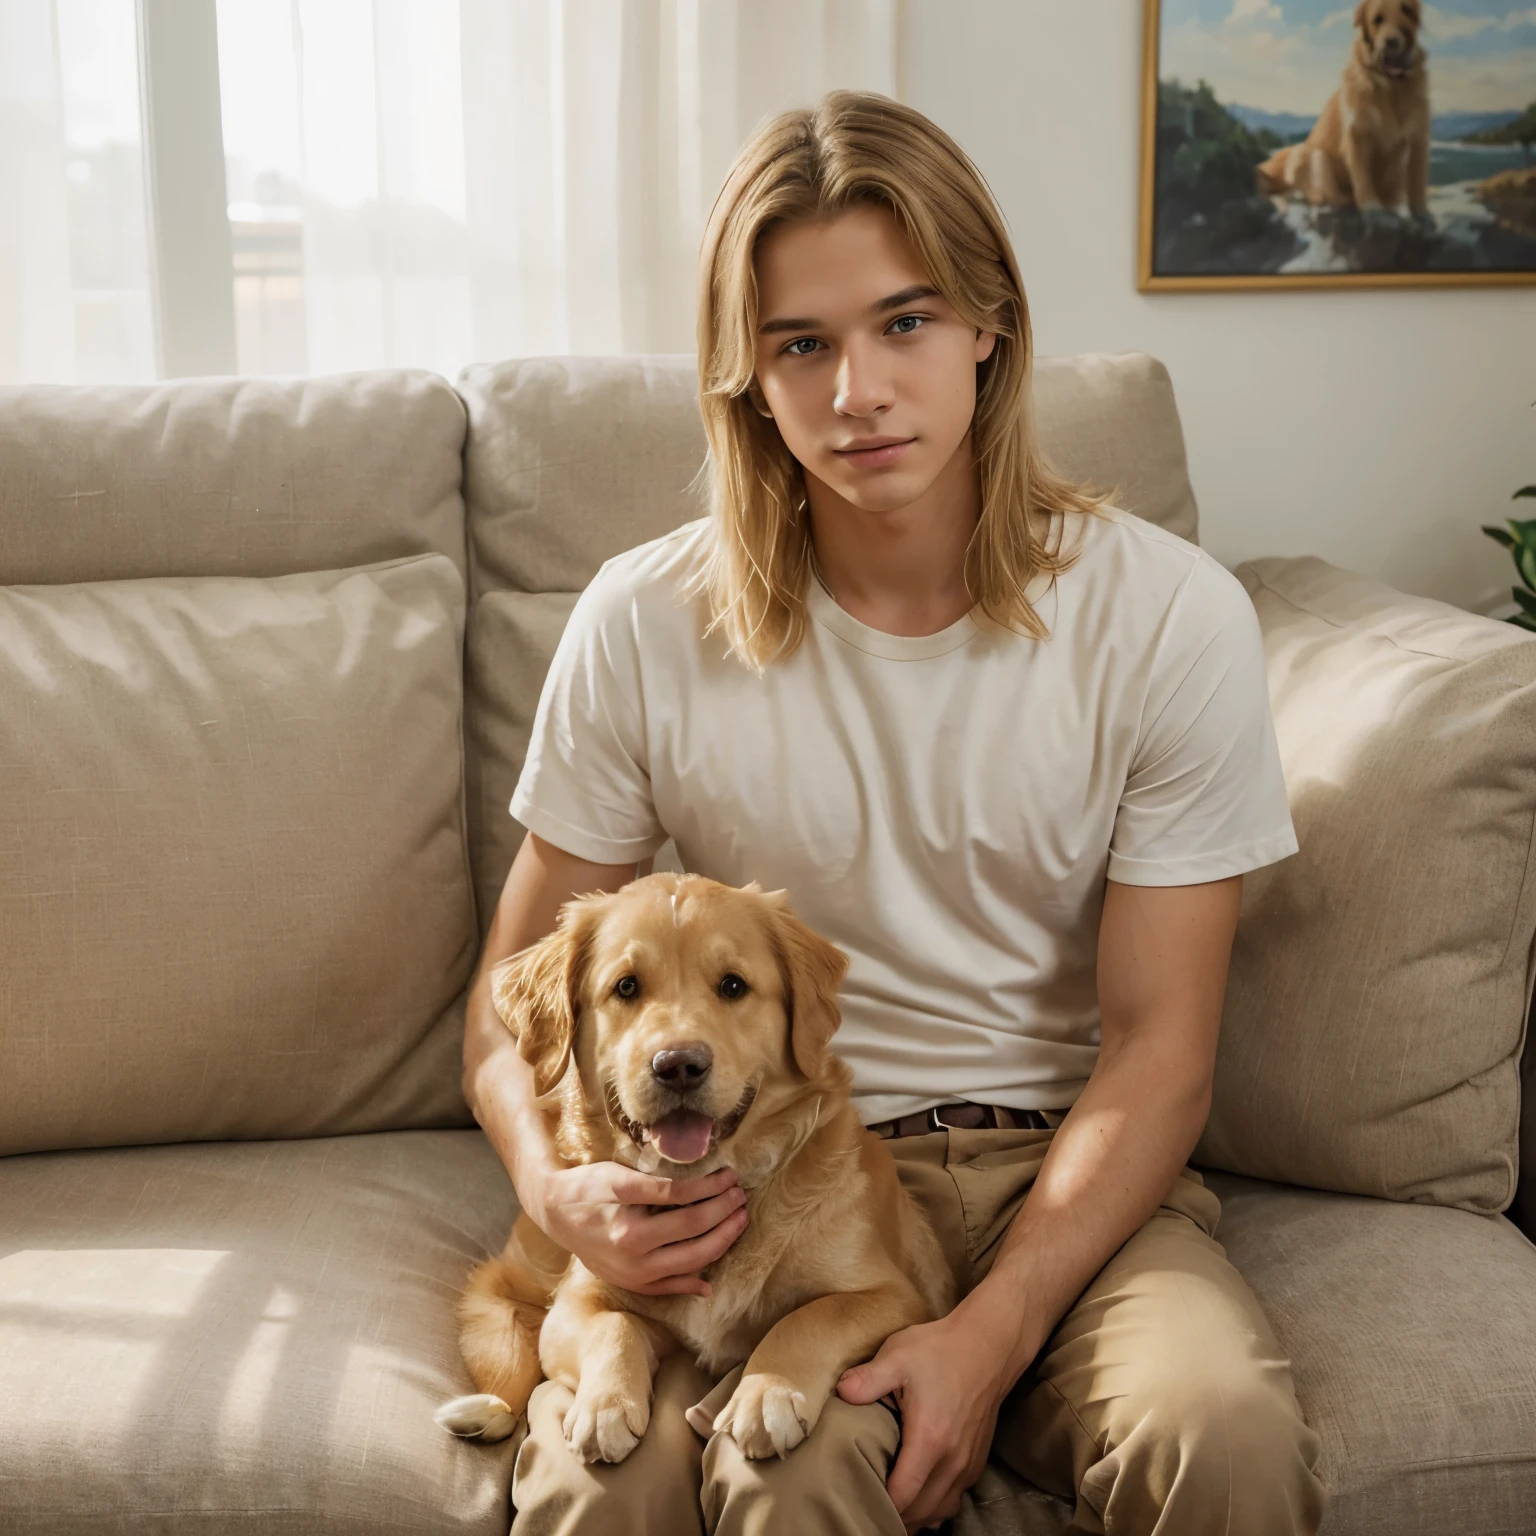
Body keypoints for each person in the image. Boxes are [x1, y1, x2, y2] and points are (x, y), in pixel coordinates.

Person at [462, 90, 1326, 1536]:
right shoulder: (640, 622)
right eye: (802, 343)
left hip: (1065, 1169)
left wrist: (989, 1331)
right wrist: (561, 1198)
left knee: (1218, 1430)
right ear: (747, 373)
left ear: (990, 323)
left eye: (906, 323)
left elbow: (1164, 1049)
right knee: (641, 1481)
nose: (856, 389)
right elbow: (508, 1017)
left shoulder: (1169, 617)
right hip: (756, 1165)